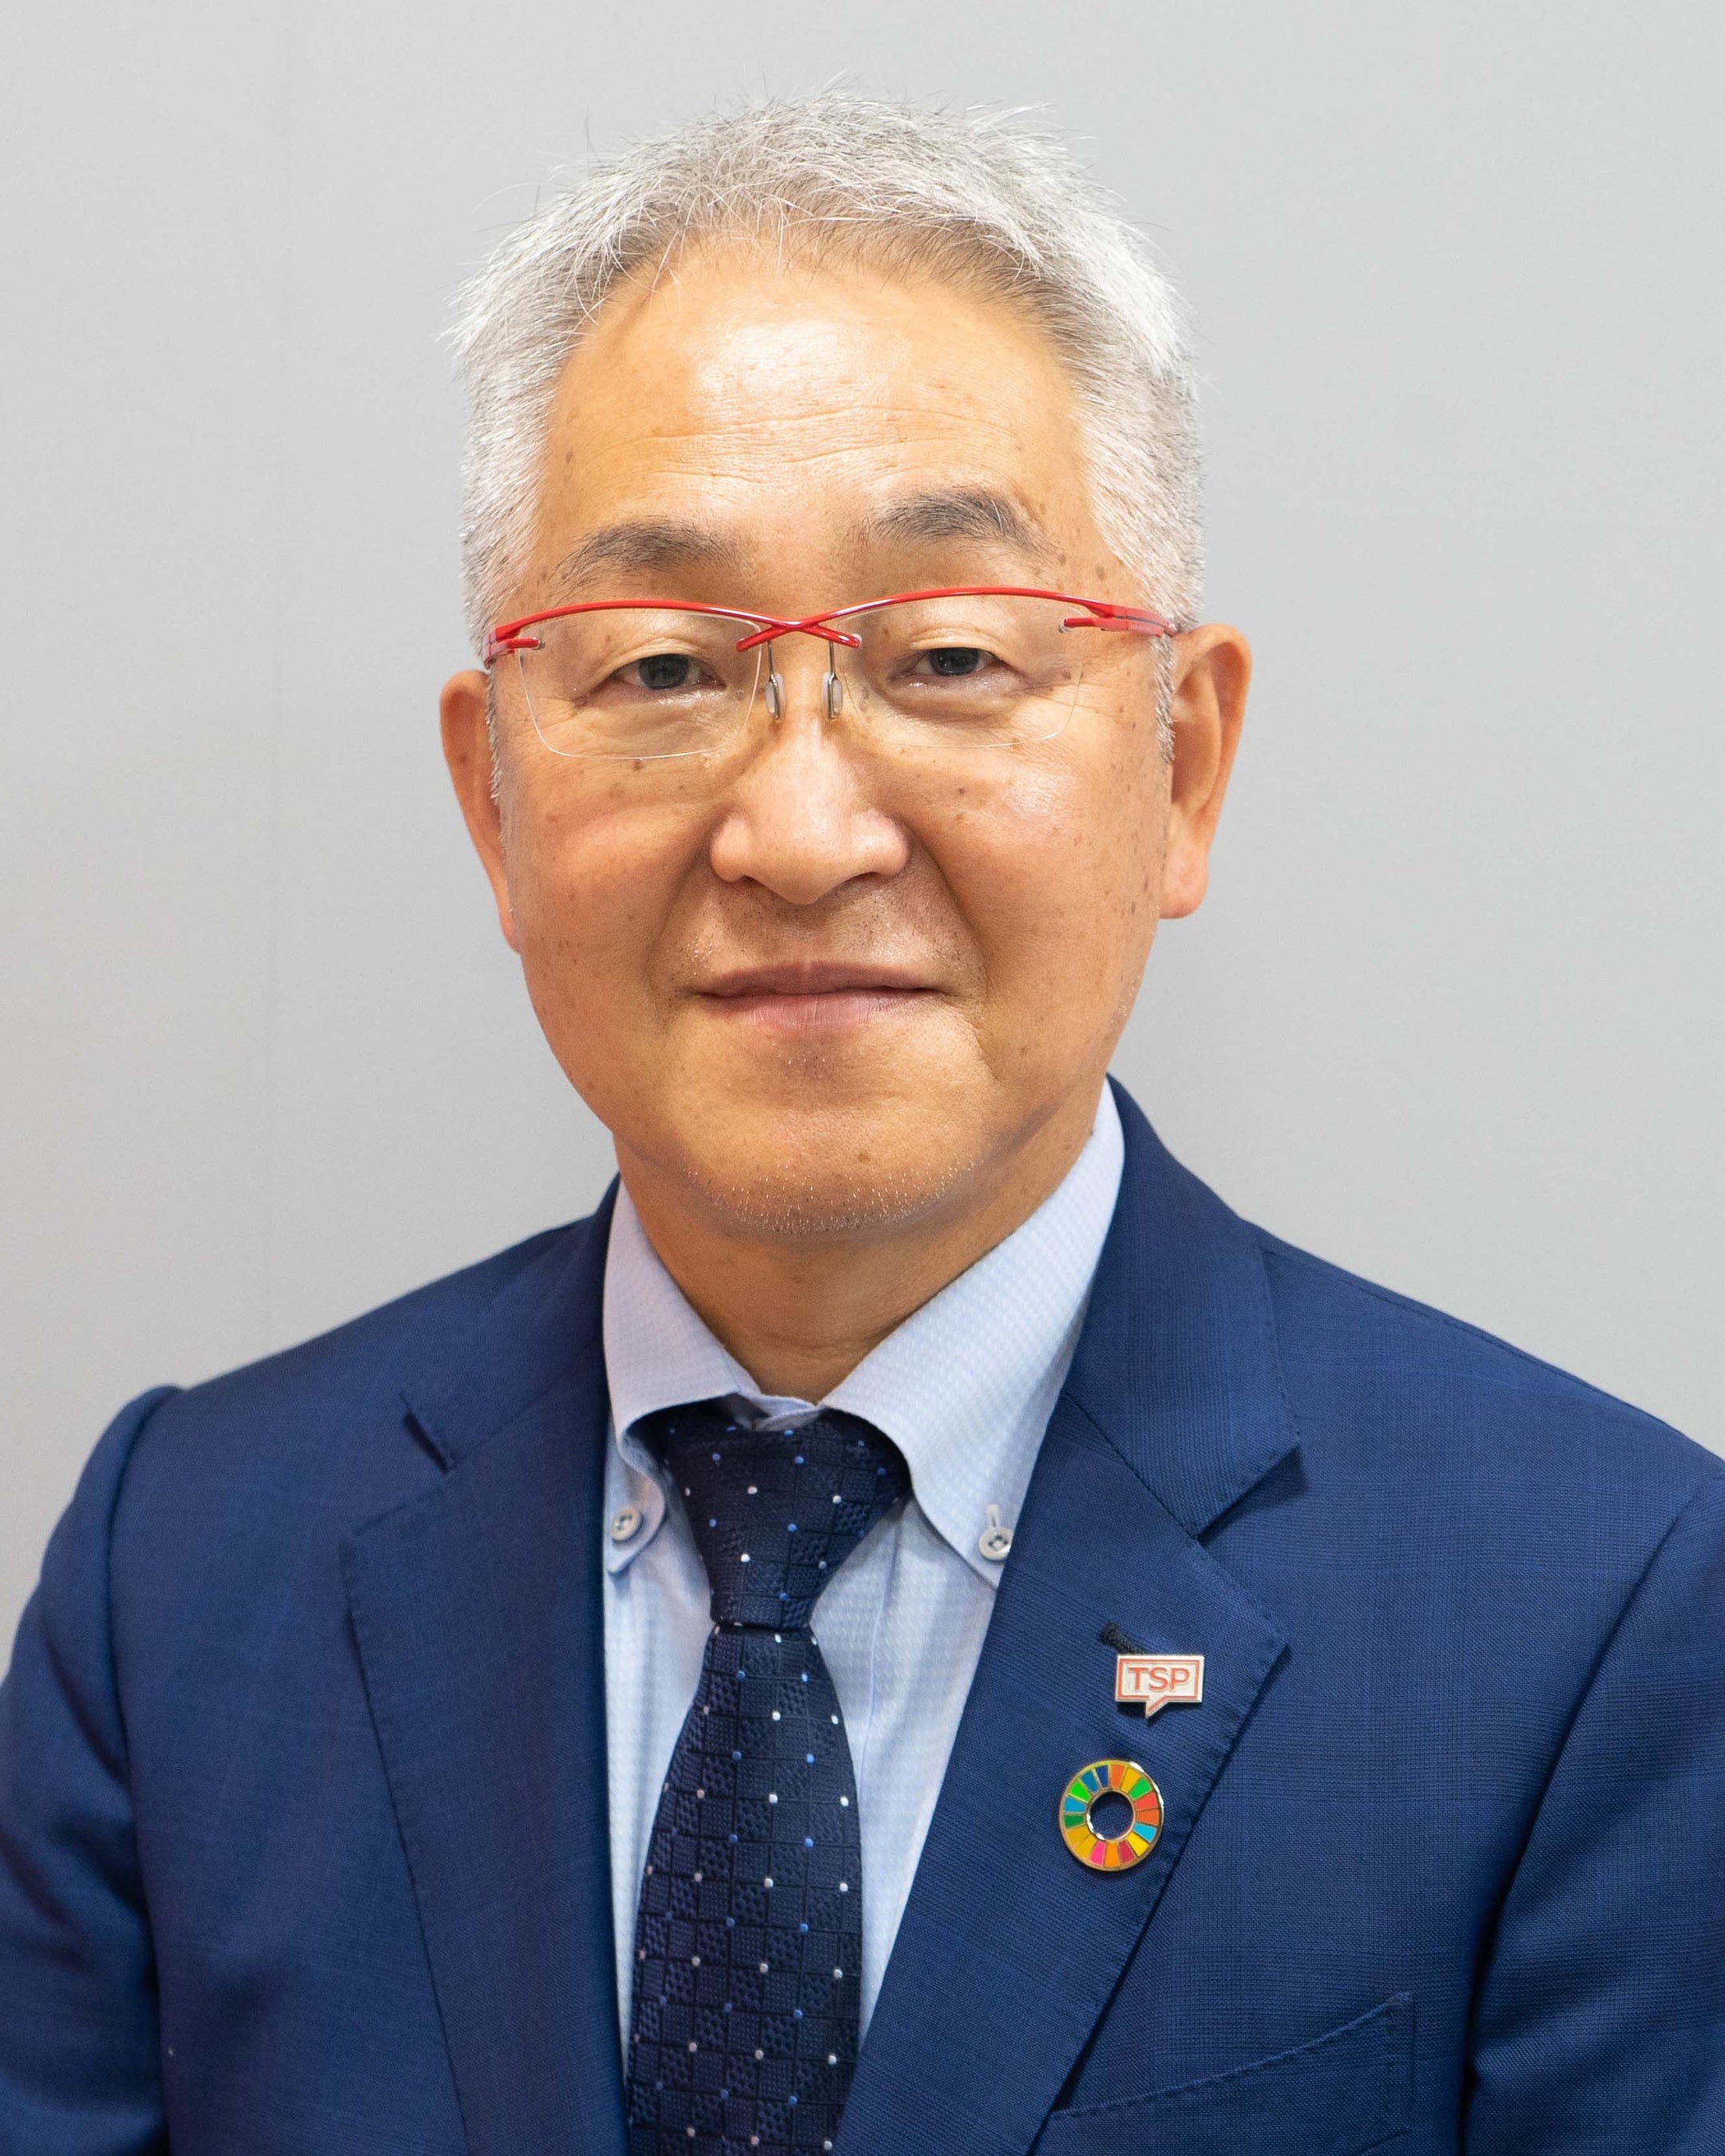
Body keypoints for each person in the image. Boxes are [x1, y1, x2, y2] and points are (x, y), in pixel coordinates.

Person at [2, 94, 1719, 2156]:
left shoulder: (1599, 1613)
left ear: (1183, 766)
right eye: (660, 669)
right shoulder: (180, 1573)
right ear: (493, 802)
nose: (803, 832)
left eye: (955, 654)